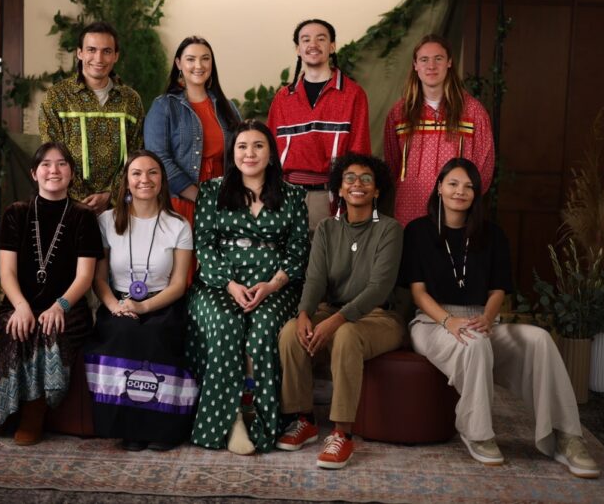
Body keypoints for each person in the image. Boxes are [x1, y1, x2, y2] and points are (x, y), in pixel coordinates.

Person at [400, 158, 600, 478]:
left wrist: (488, 318)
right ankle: (477, 432)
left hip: (482, 318)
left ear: (477, 193)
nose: (460, 191)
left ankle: (566, 436)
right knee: (474, 343)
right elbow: (418, 292)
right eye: (453, 183)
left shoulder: (492, 234)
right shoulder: (418, 231)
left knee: (540, 339)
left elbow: (497, 290)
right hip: (432, 322)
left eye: (469, 186)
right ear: (439, 187)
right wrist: (449, 322)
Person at [186, 119, 309, 454]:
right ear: (233, 153)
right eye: (242, 146)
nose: (250, 153)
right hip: (219, 283)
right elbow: (205, 247)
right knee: (226, 323)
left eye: (258, 146)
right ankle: (232, 421)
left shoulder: (293, 195)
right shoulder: (212, 191)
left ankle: (263, 422)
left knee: (265, 328)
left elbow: (298, 252)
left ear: (271, 154)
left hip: (276, 286)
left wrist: (271, 285)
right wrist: (230, 284)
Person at [276, 153, 404, 469]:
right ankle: (303, 419)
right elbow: (315, 277)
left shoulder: (389, 229)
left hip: (378, 316)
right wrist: (305, 313)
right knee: (291, 331)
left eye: (366, 179)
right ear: (340, 189)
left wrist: (335, 320)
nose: (357, 184)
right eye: (349, 178)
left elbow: (379, 288)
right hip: (330, 310)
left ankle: (342, 434)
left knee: (346, 334)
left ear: (376, 191)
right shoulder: (327, 228)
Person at [0, 142, 103, 445]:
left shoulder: (83, 216)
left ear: (71, 173)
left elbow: (85, 276)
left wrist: (60, 305)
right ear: (34, 173)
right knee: (17, 327)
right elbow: (6, 272)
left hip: (69, 308)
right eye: (46, 164)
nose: (53, 170)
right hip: (21, 302)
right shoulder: (15, 213)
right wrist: (20, 306)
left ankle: (35, 410)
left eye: (61, 164)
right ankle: (4, 408)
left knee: (49, 327)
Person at [83, 150, 198, 452]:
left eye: (152, 173)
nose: (144, 179)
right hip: (118, 303)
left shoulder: (178, 225)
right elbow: (98, 279)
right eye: (136, 173)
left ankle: (163, 429)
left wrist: (144, 306)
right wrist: (116, 307)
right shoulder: (106, 221)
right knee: (125, 332)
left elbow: (178, 284)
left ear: (163, 180)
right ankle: (128, 428)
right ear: (127, 181)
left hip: (163, 304)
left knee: (154, 334)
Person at [144, 36, 241, 284]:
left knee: (220, 275)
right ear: (178, 63)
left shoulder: (227, 107)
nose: (198, 65)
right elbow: (158, 158)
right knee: (181, 276)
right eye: (190, 59)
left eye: (205, 58)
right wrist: (199, 196)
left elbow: (240, 156)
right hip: (181, 202)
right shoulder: (164, 106)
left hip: (223, 202)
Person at [267, 19, 371, 232]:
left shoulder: (352, 94)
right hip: (287, 197)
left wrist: (352, 200)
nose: (313, 44)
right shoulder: (283, 98)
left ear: (332, 46)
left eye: (321, 38)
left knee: (330, 265)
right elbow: (270, 153)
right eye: (306, 39)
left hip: (332, 199)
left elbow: (360, 152)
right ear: (298, 49)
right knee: (290, 265)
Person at [384, 34, 494, 227]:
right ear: (415, 65)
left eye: (438, 58)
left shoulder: (473, 112)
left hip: (456, 212)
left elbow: (484, 168)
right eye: (424, 60)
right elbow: (393, 165)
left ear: (449, 62)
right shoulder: (398, 113)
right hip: (409, 209)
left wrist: (464, 202)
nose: (431, 66)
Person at [40, 21, 144, 215]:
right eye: (91, 50)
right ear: (80, 53)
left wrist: (111, 195)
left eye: (106, 51)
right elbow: (52, 155)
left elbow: (136, 154)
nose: (99, 58)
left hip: (119, 207)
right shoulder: (56, 97)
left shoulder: (131, 100)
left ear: (116, 56)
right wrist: (80, 200)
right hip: (67, 206)